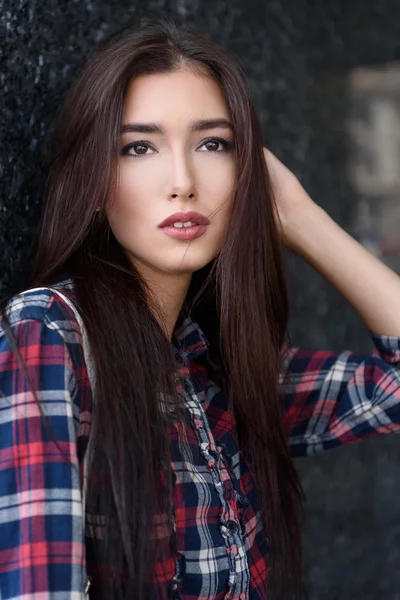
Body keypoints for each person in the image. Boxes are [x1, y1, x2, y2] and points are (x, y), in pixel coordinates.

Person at [0, 17, 399, 600]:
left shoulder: (212, 362)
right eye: (139, 147)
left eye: (213, 144)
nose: (183, 181)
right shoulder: (48, 334)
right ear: (92, 174)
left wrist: (299, 216)